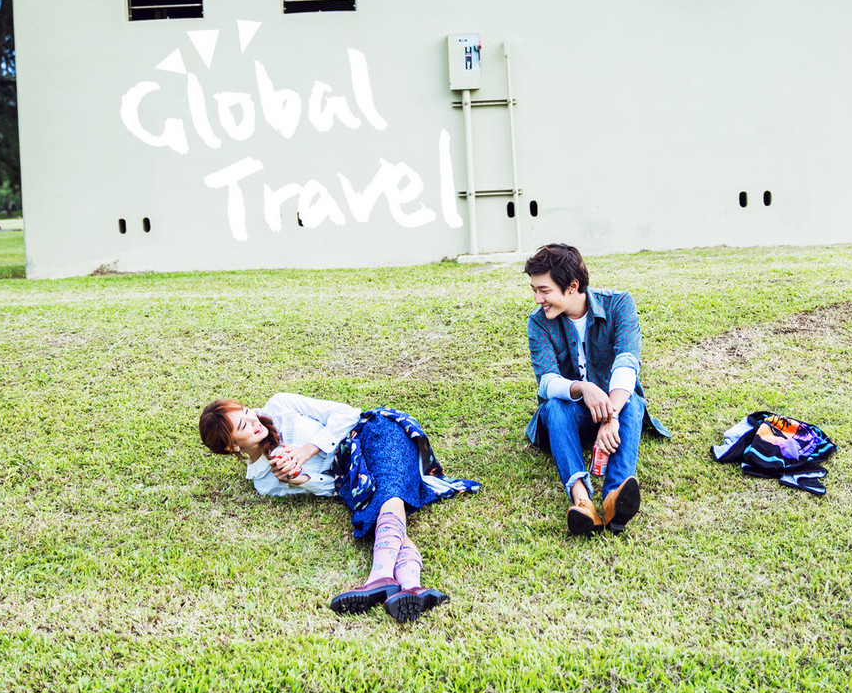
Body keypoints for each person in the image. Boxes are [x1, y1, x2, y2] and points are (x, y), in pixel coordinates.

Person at [198, 392, 479, 624]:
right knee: (374, 505)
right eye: (243, 426)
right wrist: (301, 480)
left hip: (373, 432)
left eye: (246, 411)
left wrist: (306, 452)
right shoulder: (265, 481)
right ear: (231, 447)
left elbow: (347, 414)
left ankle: (379, 577)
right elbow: (335, 488)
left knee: (387, 488)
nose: (254, 420)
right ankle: (413, 588)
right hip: (351, 477)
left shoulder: (280, 406)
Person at [524, 243, 669, 537]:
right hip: (569, 418)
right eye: (534, 290)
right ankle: (583, 502)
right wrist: (583, 388)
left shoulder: (619, 304)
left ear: (572, 286)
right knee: (554, 407)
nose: (538, 299)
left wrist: (610, 414)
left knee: (633, 402)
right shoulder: (538, 322)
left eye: (544, 290)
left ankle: (614, 497)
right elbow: (547, 381)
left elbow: (627, 363)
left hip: (616, 406)